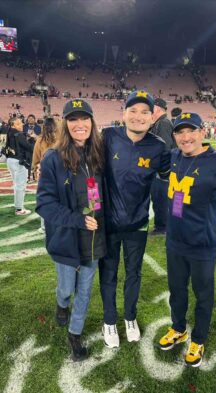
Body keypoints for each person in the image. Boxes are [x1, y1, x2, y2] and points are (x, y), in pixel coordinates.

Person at [159, 112, 216, 367]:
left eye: (191, 131)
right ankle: (179, 329)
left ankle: (198, 339)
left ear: (203, 132)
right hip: (175, 241)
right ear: (175, 136)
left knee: (203, 295)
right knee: (177, 291)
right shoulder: (175, 156)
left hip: (202, 244)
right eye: (180, 132)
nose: (186, 137)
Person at [36, 99, 106, 361]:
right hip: (66, 236)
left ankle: (74, 334)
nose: (80, 124)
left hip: (92, 237)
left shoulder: (98, 153)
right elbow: (44, 203)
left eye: (84, 118)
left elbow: (97, 192)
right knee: (67, 288)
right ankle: (61, 303)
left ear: (92, 122)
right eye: (73, 119)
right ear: (65, 124)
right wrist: (77, 219)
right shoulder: (53, 157)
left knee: (85, 291)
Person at [99, 90, 170, 348]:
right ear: (123, 114)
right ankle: (109, 320)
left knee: (133, 274)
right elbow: (86, 169)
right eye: (133, 111)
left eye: (144, 112)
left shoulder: (159, 147)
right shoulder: (107, 137)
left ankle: (130, 317)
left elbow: (177, 175)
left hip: (138, 224)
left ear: (153, 117)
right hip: (107, 223)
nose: (138, 117)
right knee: (108, 274)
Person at [150, 97, 175, 235]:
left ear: (157, 109)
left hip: (162, 171)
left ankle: (162, 227)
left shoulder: (163, 123)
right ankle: (161, 225)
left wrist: (162, 170)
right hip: (161, 170)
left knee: (160, 199)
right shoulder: (161, 122)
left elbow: (164, 148)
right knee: (158, 199)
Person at [32, 117, 59, 233]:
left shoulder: (40, 140)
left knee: (45, 199)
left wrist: (35, 169)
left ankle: (44, 226)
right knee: (59, 199)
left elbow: (36, 158)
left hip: (44, 173)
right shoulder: (61, 139)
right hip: (60, 173)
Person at [5, 116, 34, 215]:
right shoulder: (18, 134)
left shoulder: (8, 132)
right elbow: (29, 147)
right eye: (18, 123)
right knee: (20, 185)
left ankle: (17, 205)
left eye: (21, 123)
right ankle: (19, 209)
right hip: (19, 161)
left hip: (10, 160)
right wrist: (33, 140)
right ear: (13, 125)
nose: (21, 124)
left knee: (17, 184)